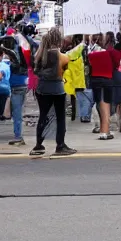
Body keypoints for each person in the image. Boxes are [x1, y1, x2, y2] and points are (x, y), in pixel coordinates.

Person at [30, 28, 76, 156]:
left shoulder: (40, 54)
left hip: (42, 88)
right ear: (59, 40)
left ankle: (38, 144)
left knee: (43, 116)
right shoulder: (62, 56)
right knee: (60, 117)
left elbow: (36, 70)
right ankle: (60, 145)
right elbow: (65, 67)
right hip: (57, 89)